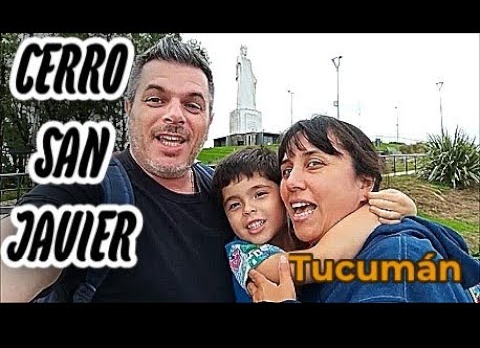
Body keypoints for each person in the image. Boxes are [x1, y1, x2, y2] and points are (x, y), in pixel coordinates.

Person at [0, 35, 235, 302]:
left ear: (209, 119)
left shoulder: (226, 194)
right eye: (156, 100)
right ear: (129, 108)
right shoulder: (90, 190)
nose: (175, 116)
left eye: (192, 105)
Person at [247, 115, 480, 303]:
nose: (290, 182)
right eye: (286, 170)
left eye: (314, 164)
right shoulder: (313, 251)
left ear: (365, 183)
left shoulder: (396, 262)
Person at [212, 146, 418, 302]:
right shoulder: (242, 253)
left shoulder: (302, 233)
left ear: (284, 195)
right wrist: (371, 212)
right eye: (234, 205)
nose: (248, 209)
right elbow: (320, 262)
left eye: (260, 194)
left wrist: (406, 208)